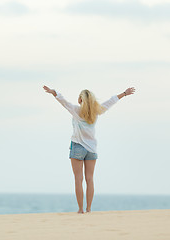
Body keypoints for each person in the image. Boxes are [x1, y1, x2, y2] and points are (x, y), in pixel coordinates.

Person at [43, 85, 136, 214]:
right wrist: (124, 93)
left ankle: (81, 209)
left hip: (78, 147)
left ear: (80, 99)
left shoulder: (76, 110)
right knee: (90, 179)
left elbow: (63, 101)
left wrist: (54, 92)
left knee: (78, 179)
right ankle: (89, 209)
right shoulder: (96, 111)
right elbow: (110, 102)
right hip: (91, 149)